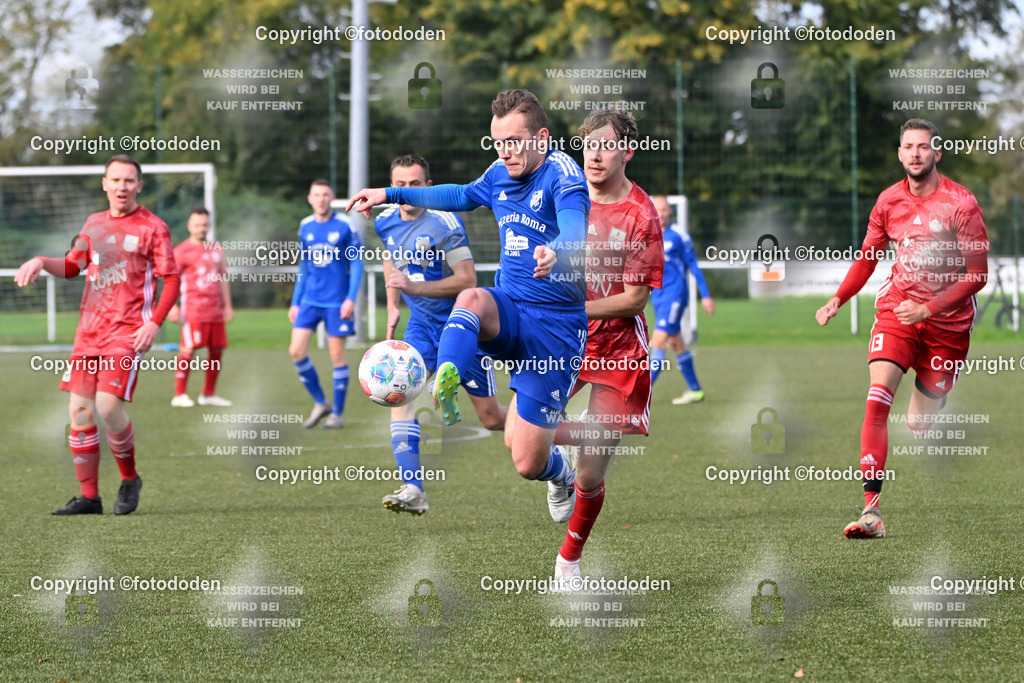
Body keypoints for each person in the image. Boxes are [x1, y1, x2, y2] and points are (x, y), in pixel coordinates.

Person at [349, 89, 589, 526]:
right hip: (511, 308)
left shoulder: (562, 173)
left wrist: (557, 250)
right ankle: (448, 372)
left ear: (542, 136)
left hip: (555, 329)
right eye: (498, 142)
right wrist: (388, 194)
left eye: (514, 141)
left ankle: (562, 473)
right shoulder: (500, 172)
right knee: (472, 298)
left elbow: (575, 227)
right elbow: (461, 194)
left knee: (525, 461)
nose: (505, 152)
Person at [815, 118, 989, 538]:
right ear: (899, 153)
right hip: (897, 311)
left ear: (937, 153)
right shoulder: (888, 201)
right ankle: (871, 512)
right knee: (876, 401)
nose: (915, 153)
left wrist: (928, 309)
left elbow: (977, 276)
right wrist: (839, 297)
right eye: (908, 146)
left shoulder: (962, 205)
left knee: (917, 422)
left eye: (923, 147)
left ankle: (932, 398)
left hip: (947, 325)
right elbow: (868, 257)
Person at [14, 154, 180, 515]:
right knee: (80, 415)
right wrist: (42, 261)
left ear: (139, 185)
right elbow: (74, 266)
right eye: (115, 180)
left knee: (107, 407)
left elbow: (172, 279)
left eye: (129, 181)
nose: (122, 187)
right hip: (89, 333)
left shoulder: (154, 227)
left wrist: (154, 323)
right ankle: (89, 497)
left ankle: (129, 478)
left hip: (126, 332)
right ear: (104, 184)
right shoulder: (93, 223)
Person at [550, 110, 664, 586]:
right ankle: (555, 470)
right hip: (561, 339)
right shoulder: (562, 194)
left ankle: (568, 561)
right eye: (587, 145)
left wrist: (579, 310)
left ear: (627, 151)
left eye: (605, 145)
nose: (593, 154)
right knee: (519, 435)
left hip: (617, 348)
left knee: (592, 474)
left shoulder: (641, 215)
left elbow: (635, 299)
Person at [374, 154, 508, 515]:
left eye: (414, 185)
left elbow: (467, 280)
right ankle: (414, 489)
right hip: (420, 327)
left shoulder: (446, 222)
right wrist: (393, 305)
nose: (406, 192)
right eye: (399, 185)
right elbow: (392, 261)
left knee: (492, 418)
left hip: (462, 329)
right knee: (400, 398)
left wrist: (415, 291)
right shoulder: (384, 221)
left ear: (428, 188)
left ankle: (547, 438)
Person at [289, 179, 363, 429]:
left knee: (336, 356)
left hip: (336, 302)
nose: (321, 199)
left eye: (325, 194)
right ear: (310, 199)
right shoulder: (305, 226)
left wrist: (350, 298)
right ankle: (321, 402)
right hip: (309, 299)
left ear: (332, 197)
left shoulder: (345, 224)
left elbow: (356, 263)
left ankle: (337, 414)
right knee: (296, 351)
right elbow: (304, 266)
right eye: (316, 195)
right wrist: (295, 302)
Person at [649, 195, 714, 404]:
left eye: (665, 209)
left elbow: (693, 265)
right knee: (676, 344)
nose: (662, 213)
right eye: (658, 210)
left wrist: (705, 296)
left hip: (675, 296)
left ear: (670, 211)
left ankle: (637, 397)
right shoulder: (648, 234)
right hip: (658, 298)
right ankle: (695, 390)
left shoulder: (679, 235)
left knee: (658, 341)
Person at [169, 206, 233, 407]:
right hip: (193, 310)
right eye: (197, 224)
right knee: (189, 348)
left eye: (204, 224)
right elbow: (172, 281)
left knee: (217, 349)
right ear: (189, 226)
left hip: (215, 310)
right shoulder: (181, 252)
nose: (201, 228)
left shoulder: (216, 249)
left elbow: (223, 278)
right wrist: (172, 306)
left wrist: (227, 306)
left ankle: (208, 394)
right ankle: (179, 394)